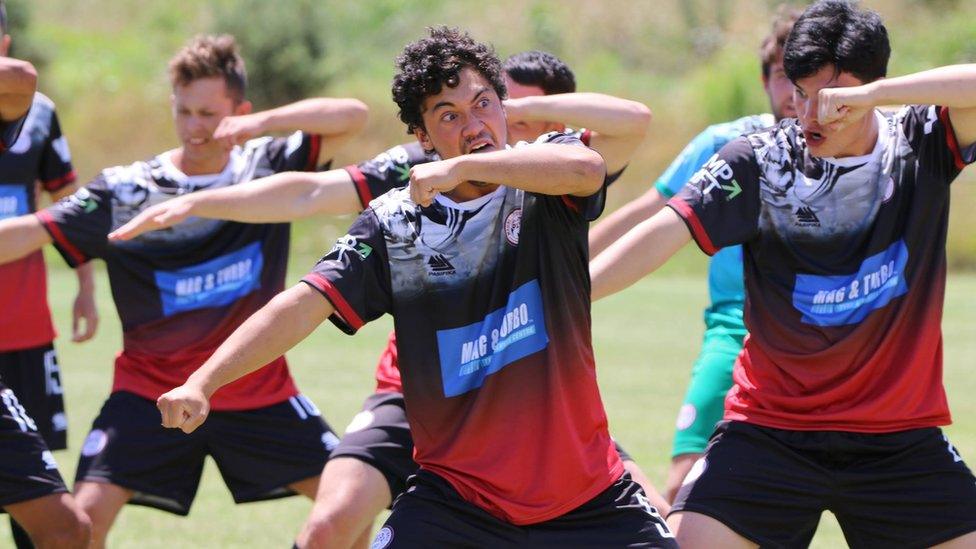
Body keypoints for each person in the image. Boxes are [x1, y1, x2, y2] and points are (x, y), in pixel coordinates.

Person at [111, 49, 661, 548]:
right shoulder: (395, 222)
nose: (473, 125)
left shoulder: (548, 173)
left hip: (586, 499)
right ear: (421, 136)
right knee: (331, 523)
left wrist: (466, 166)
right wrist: (202, 381)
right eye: (448, 115)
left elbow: (589, 169)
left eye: (483, 105)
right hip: (458, 501)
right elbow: (306, 300)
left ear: (505, 107)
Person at [590, 1, 976, 546]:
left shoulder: (919, 142)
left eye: (831, 99)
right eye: (799, 93)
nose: (810, 114)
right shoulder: (758, 160)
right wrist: (571, 296)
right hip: (770, 432)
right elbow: (662, 232)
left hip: (898, 438)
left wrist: (873, 98)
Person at [0, 34, 368, 548]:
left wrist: (261, 125)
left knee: (351, 508)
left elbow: (353, 116)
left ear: (238, 112)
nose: (197, 128)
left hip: (256, 390)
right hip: (149, 394)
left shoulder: (265, 167)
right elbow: (35, 229)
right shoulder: (129, 190)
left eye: (210, 114)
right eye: (186, 112)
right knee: (78, 528)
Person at [588, 5, 799, 502]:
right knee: (684, 478)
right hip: (731, 328)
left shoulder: (863, 145)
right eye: (783, 75)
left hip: (812, 335)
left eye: (807, 76)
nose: (793, 92)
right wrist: (559, 267)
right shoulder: (728, 144)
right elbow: (652, 210)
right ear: (766, 80)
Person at [0, 2, 99, 545]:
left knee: (33, 495)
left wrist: (85, 287)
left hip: (25, 328)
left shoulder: (32, 112)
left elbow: (69, 205)